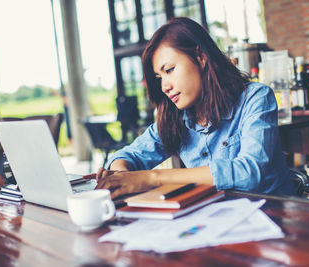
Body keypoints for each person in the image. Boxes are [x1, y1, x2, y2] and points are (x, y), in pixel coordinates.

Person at [95, 17, 295, 198]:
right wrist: (121, 174)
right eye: (159, 78)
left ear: (200, 57)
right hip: (214, 218)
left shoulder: (256, 98)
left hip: (272, 217)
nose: (164, 86)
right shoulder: (175, 117)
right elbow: (129, 155)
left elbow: (249, 172)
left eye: (170, 70)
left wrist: (152, 177)